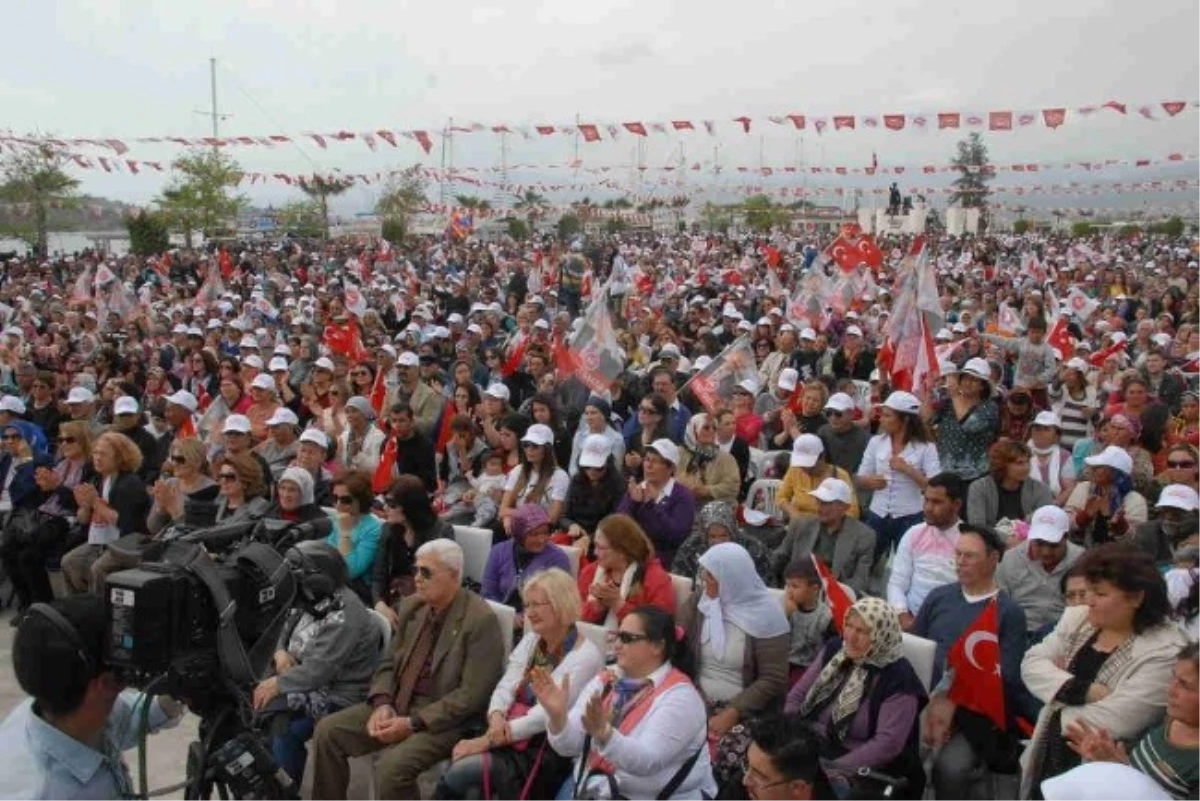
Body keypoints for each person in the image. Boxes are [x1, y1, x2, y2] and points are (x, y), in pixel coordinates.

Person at [309, 539, 506, 801]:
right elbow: (388, 663)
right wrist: (382, 702)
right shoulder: (413, 606)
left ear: (454, 575)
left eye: (426, 573)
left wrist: (413, 723)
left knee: (392, 769)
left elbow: (472, 696)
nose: (417, 579)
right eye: (416, 570)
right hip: (399, 701)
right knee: (328, 732)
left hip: (443, 719)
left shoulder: (480, 621)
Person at [1020, 543, 1189, 799]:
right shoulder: (1078, 618)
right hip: (1047, 754)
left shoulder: (1165, 651)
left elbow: (1116, 720)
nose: (1088, 601)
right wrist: (1084, 691)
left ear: (1136, 598)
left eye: (1099, 594)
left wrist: (1052, 694)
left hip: (1104, 777)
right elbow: (1032, 663)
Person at [435, 568, 605, 801]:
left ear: (560, 604)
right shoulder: (533, 640)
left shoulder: (584, 657)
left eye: (537, 605)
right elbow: (506, 684)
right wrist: (495, 715)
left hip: (542, 748)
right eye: (527, 605)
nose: (530, 613)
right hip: (507, 733)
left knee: (459, 772)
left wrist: (487, 740)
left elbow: (542, 717)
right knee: (461, 773)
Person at [0, 596, 185, 798]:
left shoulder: (56, 702)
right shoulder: (42, 792)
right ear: (107, 684)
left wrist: (175, 695)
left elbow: (130, 716)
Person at [536, 604, 718, 801]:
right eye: (617, 636)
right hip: (597, 787)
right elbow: (569, 747)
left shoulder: (682, 698)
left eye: (627, 638)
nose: (616, 645)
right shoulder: (607, 681)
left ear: (657, 646)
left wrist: (605, 734)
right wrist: (558, 717)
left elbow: (648, 761)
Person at [915, 525, 1030, 801]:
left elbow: (1006, 677)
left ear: (993, 560)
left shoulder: (1008, 612)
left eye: (970, 556)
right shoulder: (939, 597)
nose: (961, 562)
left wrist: (953, 705)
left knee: (950, 768)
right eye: (958, 554)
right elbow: (916, 648)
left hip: (972, 713)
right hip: (924, 700)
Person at [253, 540, 381, 781]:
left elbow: (320, 670)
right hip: (302, 681)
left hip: (338, 694)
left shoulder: (345, 613)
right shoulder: (312, 598)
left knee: (283, 728)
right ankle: (264, 783)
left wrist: (278, 684)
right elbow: (281, 624)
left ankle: (283, 794)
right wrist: (280, 651)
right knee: (252, 709)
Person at [785, 597, 928, 799]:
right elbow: (797, 696)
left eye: (862, 631)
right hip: (811, 745)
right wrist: (785, 732)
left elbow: (887, 745)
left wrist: (833, 769)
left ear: (881, 634)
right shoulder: (835, 649)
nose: (850, 637)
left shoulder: (898, 678)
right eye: (849, 626)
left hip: (860, 767)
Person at [680, 542, 790, 785]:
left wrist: (733, 711)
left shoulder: (766, 615)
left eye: (710, 576)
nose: (703, 581)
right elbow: (676, 640)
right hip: (696, 696)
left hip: (744, 711)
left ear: (731, 579)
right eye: (703, 574)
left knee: (720, 760)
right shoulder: (701, 602)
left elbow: (773, 678)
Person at [1065, 641, 1200, 800]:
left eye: (1185, 685)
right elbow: (1129, 763)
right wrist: (1105, 758)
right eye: (1174, 677)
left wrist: (1123, 776)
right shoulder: (1168, 720)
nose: (1171, 690)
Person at [0, 421, 93, 619]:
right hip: (43, 515)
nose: (64, 444)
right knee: (9, 548)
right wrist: (43, 486)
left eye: (70, 439)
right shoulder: (60, 464)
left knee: (29, 555)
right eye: (61, 440)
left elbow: (78, 504)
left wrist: (54, 486)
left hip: (68, 520)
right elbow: (28, 496)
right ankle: (26, 603)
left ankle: (42, 605)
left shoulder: (88, 468)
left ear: (83, 441)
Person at [59, 432, 151, 596]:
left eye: (103, 454)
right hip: (100, 540)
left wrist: (95, 502)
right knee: (69, 561)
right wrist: (85, 506)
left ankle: (99, 611)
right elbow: (83, 520)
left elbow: (123, 523)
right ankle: (75, 607)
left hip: (128, 543)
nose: (97, 458)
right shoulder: (98, 479)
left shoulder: (129, 483)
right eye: (95, 453)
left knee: (99, 568)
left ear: (120, 457)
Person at [857, 391, 941, 565]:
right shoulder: (876, 442)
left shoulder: (926, 447)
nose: (881, 419)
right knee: (866, 561)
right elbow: (861, 477)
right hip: (877, 514)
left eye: (888, 415)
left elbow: (936, 487)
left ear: (905, 419)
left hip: (910, 516)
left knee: (906, 564)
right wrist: (868, 481)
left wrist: (908, 470)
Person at [770, 478, 876, 596]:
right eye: (818, 501)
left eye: (826, 503)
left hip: (836, 594)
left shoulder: (864, 535)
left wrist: (838, 596)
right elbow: (780, 556)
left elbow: (861, 579)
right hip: (797, 590)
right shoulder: (801, 525)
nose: (820, 507)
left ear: (844, 507)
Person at [887, 473, 965, 631]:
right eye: (926, 500)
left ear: (956, 504)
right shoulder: (913, 534)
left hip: (952, 624)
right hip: (910, 619)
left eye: (936, 502)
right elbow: (897, 583)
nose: (928, 508)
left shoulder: (968, 540)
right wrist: (903, 616)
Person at [372, 474, 455, 623]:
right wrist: (380, 604)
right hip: (393, 598)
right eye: (386, 502)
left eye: (392, 504)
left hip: (427, 603)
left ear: (410, 506)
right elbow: (378, 576)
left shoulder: (441, 532)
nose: (385, 508)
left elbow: (439, 581)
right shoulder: (388, 529)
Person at [996, 506, 1085, 636]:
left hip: (1063, 632)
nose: (1046, 551)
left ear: (1066, 537)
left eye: (1053, 545)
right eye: (1039, 544)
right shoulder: (1010, 559)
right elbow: (1000, 604)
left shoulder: (1081, 560)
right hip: (1018, 631)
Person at [578, 514, 675, 631]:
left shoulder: (655, 578)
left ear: (622, 550)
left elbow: (660, 629)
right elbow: (574, 618)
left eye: (601, 548)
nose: (595, 552)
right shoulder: (590, 572)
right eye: (595, 546)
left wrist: (618, 605)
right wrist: (597, 606)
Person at [617, 438, 697, 569]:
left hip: (665, 563)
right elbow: (619, 525)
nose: (648, 465)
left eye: (655, 461)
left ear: (670, 468)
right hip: (631, 557)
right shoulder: (637, 490)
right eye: (647, 459)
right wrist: (633, 503)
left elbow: (675, 535)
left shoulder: (682, 496)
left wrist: (651, 506)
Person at [482, 503, 571, 606]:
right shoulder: (498, 551)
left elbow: (558, 602)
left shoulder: (558, 559)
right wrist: (507, 614)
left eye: (545, 533)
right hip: (500, 614)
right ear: (520, 534)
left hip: (539, 618)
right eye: (534, 534)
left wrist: (526, 616)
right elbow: (487, 593)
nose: (541, 539)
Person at [1064, 445, 1149, 546]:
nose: (1093, 469)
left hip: (1120, 558)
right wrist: (1083, 517)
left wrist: (1121, 526)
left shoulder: (1135, 500)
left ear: (1116, 473)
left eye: (1099, 467)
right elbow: (1063, 525)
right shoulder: (1084, 488)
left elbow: (1138, 541)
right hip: (1086, 554)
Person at [741, 714, 840, 801]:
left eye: (759, 777)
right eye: (747, 764)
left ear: (797, 788)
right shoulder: (742, 787)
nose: (745, 781)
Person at [931, 358, 1000, 483]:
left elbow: (970, 426)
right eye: (965, 378)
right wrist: (927, 392)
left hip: (975, 475)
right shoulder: (948, 403)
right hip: (945, 471)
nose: (968, 383)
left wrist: (955, 396)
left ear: (983, 386)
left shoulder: (989, 407)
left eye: (974, 380)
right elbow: (927, 419)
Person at [672, 501, 772, 587]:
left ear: (732, 532)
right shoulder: (691, 548)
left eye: (724, 535)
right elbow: (681, 582)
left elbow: (765, 586)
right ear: (704, 535)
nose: (718, 542)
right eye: (712, 536)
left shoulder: (751, 548)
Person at [966, 441, 1055, 531]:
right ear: (1002, 465)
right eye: (1019, 463)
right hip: (990, 541)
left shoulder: (1041, 489)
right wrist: (1004, 538)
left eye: (1027, 462)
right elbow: (977, 526)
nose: (1026, 467)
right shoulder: (979, 488)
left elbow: (1046, 523)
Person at [500, 422, 570, 533]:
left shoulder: (560, 476)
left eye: (535, 446)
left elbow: (552, 519)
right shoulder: (518, 470)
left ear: (547, 449)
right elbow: (503, 510)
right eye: (526, 445)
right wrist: (507, 517)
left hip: (541, 531)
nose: (529, 450)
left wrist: (516, 514)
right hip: (518, 526)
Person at [560, 433, 626, 551]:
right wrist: (571, 525)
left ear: (608, 463)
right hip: (575, 537)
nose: (592, 471)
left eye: (598, 468)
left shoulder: (618, 485)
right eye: (587, 466)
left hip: (605, 542)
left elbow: (615, 522)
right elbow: (564, 515)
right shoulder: (577, 480)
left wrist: (590, 539)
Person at [777, 434, 861, 522]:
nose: (806, 470)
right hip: (800, 524)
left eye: (810, 465)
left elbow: (853, 512)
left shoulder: (840, 475)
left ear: (822, 457)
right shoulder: (795, 470)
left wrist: (828, 519)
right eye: (802, 465)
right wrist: (793, 513)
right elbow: (781, 497)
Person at [324, 469, 383, 588]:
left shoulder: (374, 528)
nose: (338, 505)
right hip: (328, 582)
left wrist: (345, 533)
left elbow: (349, 571)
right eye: (335, 498)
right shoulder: (332, 519)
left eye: (346, 500)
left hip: (356, 590)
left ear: (361, 500)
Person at [676, 413, 742, 505]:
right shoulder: (678, 453)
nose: (711, 431)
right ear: (694, 430)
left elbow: (732, 487)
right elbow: (667, 477)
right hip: (681, 503)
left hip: (714, 506)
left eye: (714, 428)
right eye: (706, 428)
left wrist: (707, 491)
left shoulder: (726, 458)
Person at [1133, 484, 1200, 566]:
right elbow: (1139, 568)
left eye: (1177, 512)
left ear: (1195, 514)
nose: (1169, 517)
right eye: (1164, 511)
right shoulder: (1147, 532)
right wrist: (1179, 561)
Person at [818, 392, 870, 478]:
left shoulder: (864, 439)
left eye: (838, 414)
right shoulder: (823, 431)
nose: (833, 418)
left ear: (851, 414)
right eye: (829, 413)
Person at [570, 395, 626, 476]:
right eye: (586, 413)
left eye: (593, 413)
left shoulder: (616, 439)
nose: (589, 417)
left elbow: (616, 469)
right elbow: (573, 466)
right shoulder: (579, 436)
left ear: (604, 415)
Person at [210, 451, 272, 524]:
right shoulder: (217, 504)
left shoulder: (259, 508)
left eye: (230, 477)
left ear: (246, 480)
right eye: (221, 476)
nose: (223, 481)